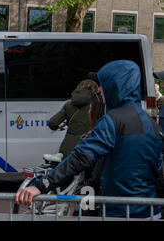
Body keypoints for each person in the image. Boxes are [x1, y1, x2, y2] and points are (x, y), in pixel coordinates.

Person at [15, 60, 163, 219]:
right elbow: (158, 170)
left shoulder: (112, 121)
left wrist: (42, 185)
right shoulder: (152, 125)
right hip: (150, 212)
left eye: (103, 84)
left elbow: (81, 156)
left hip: (117, 213)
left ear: (115, 86)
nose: (99, 89)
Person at [48, 79, 99, 158]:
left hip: (67, 148)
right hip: (87, 147)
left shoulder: (69, 104)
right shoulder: (97, 104)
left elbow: (52, 123)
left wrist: (58, 126)